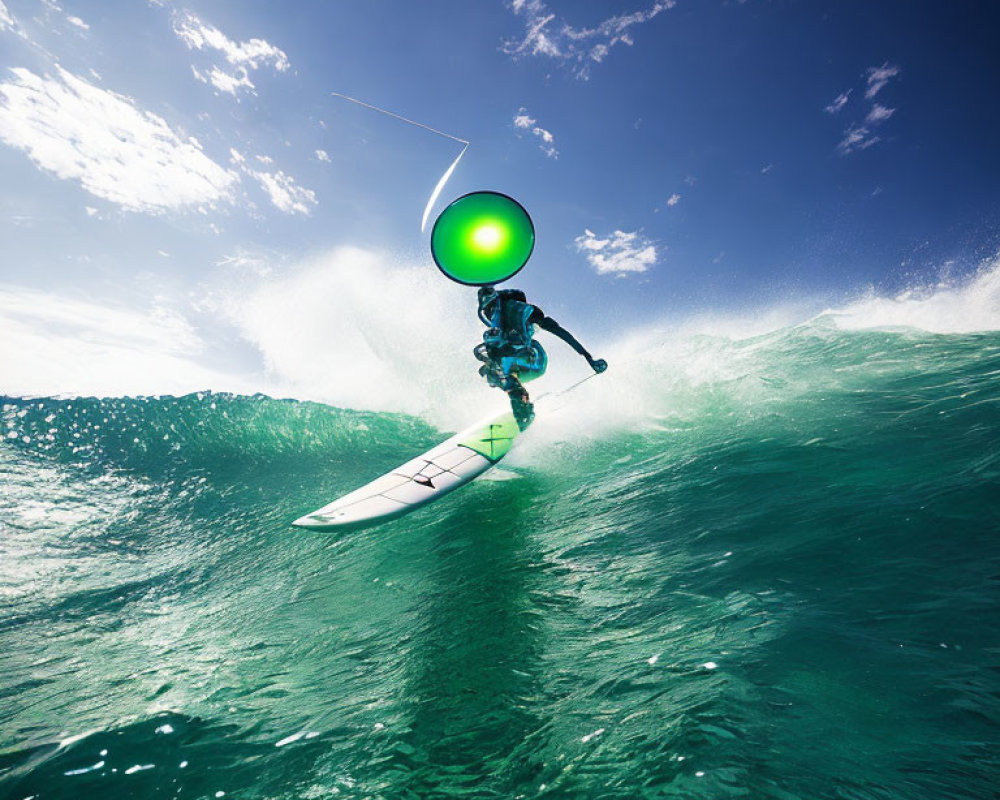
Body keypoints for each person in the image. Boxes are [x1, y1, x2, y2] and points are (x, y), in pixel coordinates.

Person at [474, 286, 607, 430]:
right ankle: (521, 400)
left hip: (534, 360)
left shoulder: (522, 310)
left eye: (490, 309)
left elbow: (561, 333)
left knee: (502, 363)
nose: (490, 314)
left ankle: (523, 411)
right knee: (491, 371)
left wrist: (589, 358)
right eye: (487, 311)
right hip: (515, 362)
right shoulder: (497, 321)